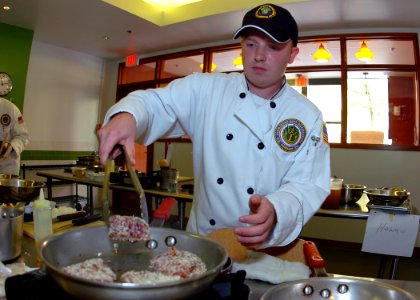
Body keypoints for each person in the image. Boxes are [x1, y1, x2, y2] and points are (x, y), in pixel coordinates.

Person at [98, 3, 330, 248]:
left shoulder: (307, 115)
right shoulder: (207, 90)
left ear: (292, 54)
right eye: (251, 44)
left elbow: (307, 184)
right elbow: (155, 103)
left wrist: (278, 209)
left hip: (264, 252)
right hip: (204, 243)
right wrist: (128, 115)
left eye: (273, 47)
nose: (259, 56)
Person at [0, 97, 30, 177]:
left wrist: (11, 147)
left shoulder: (10, 108)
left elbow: (23, 136)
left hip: (6, 167)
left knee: (6, 189)